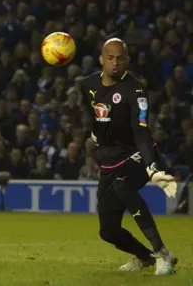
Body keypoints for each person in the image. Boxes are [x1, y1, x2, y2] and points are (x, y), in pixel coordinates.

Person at [80, 38, 178, 275]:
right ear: (101, 59)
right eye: (110, 58)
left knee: (124, 186)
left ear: (127, 61)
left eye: (120, 58)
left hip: (136, 153)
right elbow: (92, 114)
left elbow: (142, 132)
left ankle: (163, 254)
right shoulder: (87, 85)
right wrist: (95, 135)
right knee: (108, 231)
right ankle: (144, 257)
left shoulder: (135, 89)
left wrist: (152, 167)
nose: (115, 63)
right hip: (109, 160)